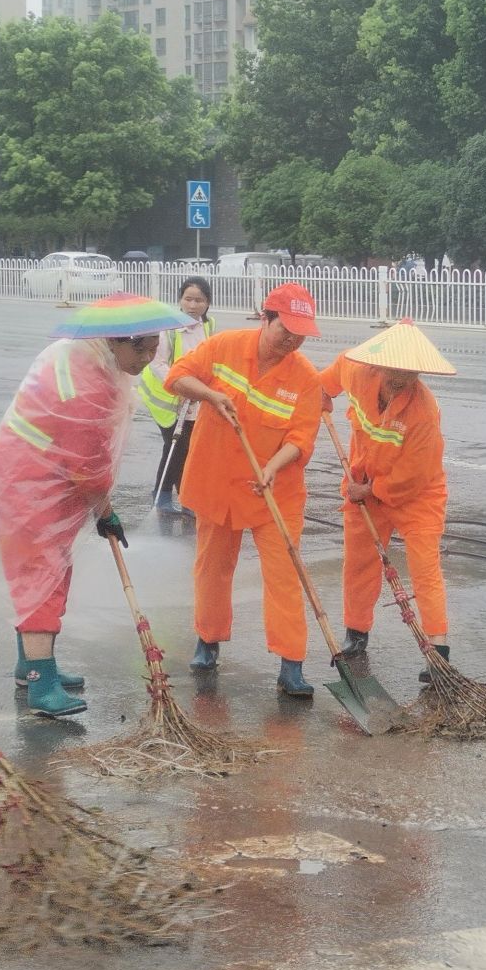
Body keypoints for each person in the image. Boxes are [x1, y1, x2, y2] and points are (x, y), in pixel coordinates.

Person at [0, 294, 192, 717]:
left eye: (153, 347)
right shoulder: (88, 385)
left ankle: (30, 664)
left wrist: (98, 507)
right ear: (114, 342)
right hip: (32, 489)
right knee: (41, 583)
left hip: (37, 481)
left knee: (45, 576)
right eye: (139, 347)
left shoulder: (81, 356)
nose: (147, 358)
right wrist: (104, 511)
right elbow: (88, 467)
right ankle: (41, 684)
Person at [167, 283, 323, 695]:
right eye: (284, 328)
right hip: (217, 480)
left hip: (274, 489)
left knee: (285, 573)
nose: (292, 339)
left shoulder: (305, 378)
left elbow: (302, 436)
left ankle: (292, 663)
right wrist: (211, 395)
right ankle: (208, 640)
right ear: (265, 318)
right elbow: (177, 377)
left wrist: (273, 466)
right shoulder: (224, 346)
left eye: (300, 332)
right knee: (213, 567)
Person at [318, 320, 455, 680]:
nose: (401, 378)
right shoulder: (357, 370)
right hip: (364, 483)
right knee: (360, 563)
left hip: (417, 494)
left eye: (411, 372)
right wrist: (322, 394)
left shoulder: (424, 411)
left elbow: (414, 476)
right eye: (396, 369)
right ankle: (356, 635)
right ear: (381, 363)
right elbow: (326, 381)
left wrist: (373, 490)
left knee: (424, 568)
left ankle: (438, 652)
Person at [140, 276, 217, 515]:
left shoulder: (208, 325)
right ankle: (163, 497)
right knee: (176, 446)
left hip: (192, 398)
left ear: (207, 303)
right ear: (180, 300)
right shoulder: (169, 329)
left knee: (188, 448)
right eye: (188, 299)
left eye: (199, 300)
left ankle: (185, 497)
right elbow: (157, 363)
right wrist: (181, 385)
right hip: (167, 398)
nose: (193, 305)